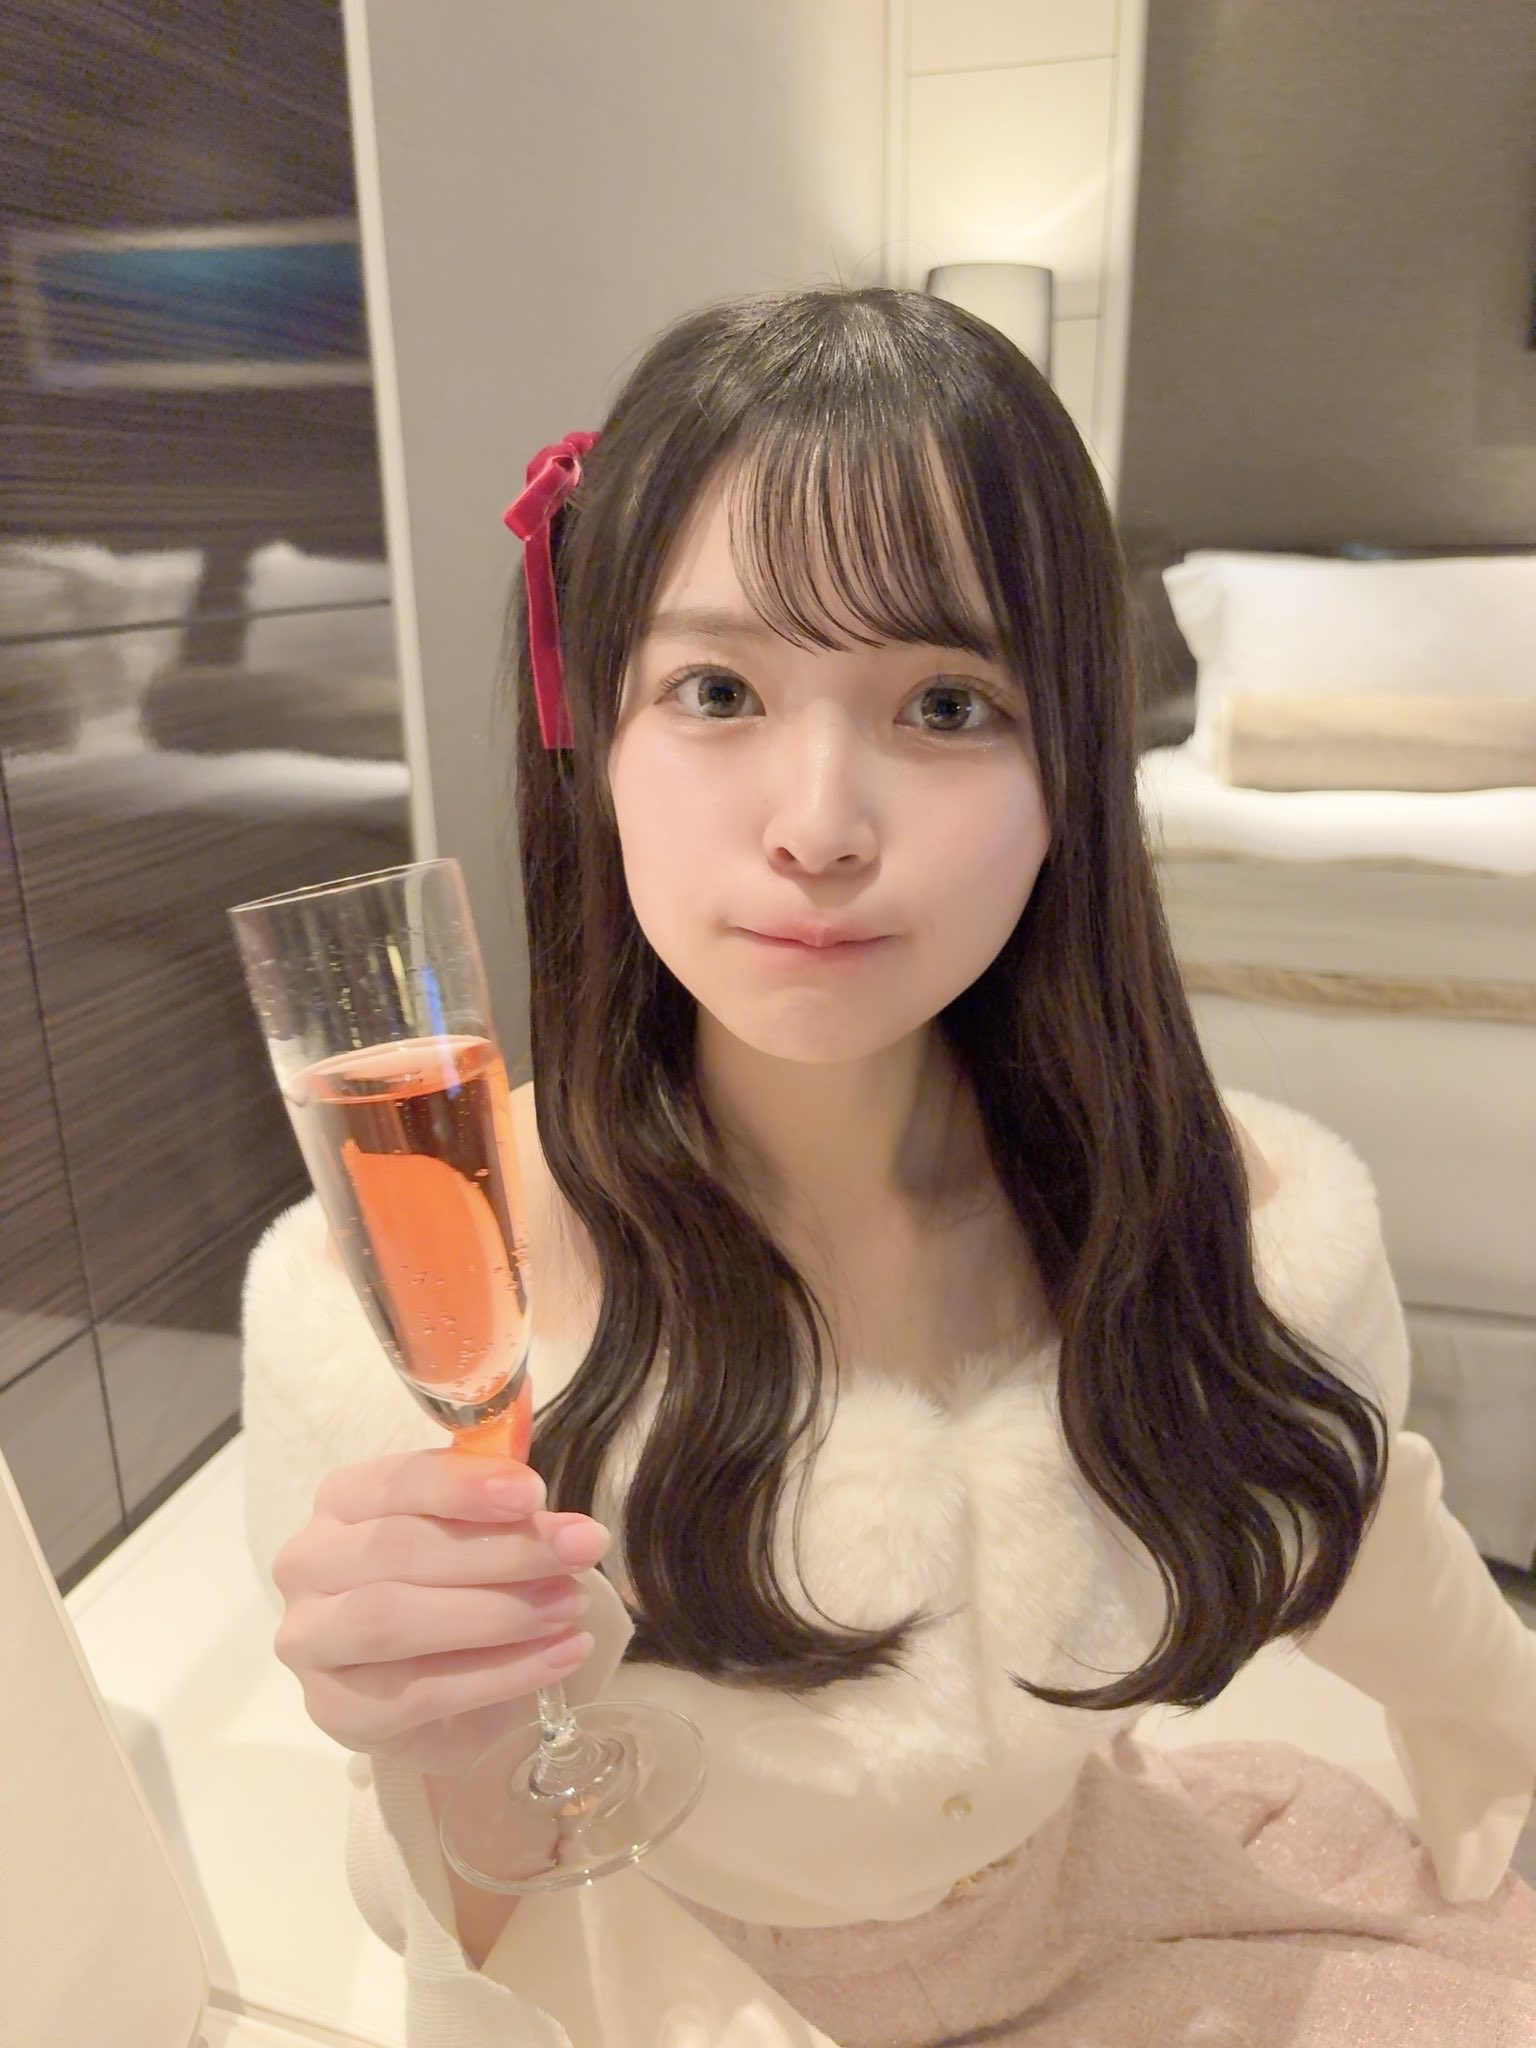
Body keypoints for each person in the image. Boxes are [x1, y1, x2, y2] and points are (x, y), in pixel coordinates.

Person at [241, 286, 1536, 2047]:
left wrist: (1494, 1734)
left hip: (1103, 1931)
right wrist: (442, 1746)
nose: (820, 825)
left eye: (944, 701)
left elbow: (1355, 1512)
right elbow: (439, 1908)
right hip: (675, 1989)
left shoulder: (1211, 1207)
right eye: (716, 690)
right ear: (592, 731)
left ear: (1073, 762)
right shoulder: (415, 1291)